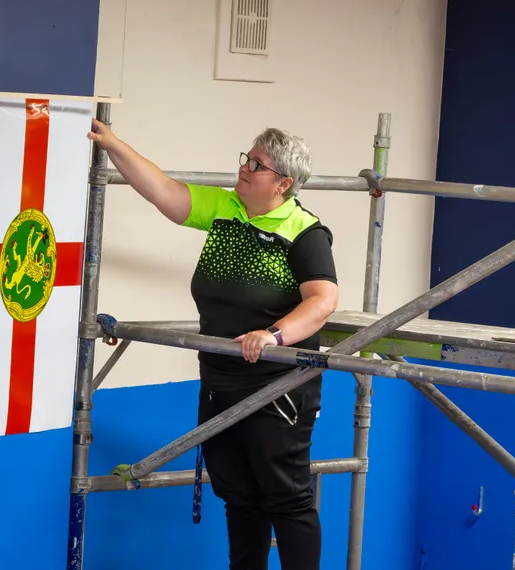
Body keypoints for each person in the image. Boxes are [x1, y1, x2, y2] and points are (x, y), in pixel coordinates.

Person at [88, 119, 338, 570]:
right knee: (240, 496)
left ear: (283, 183)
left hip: (276, 388)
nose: (243, 168)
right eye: (246, 158)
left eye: (256, 165)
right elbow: (163, 190)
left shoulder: (304, 232)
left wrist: (274, 335)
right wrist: (113, 145)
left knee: (286, 498)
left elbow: (323, 300)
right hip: (220, 379)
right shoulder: (225, 210)